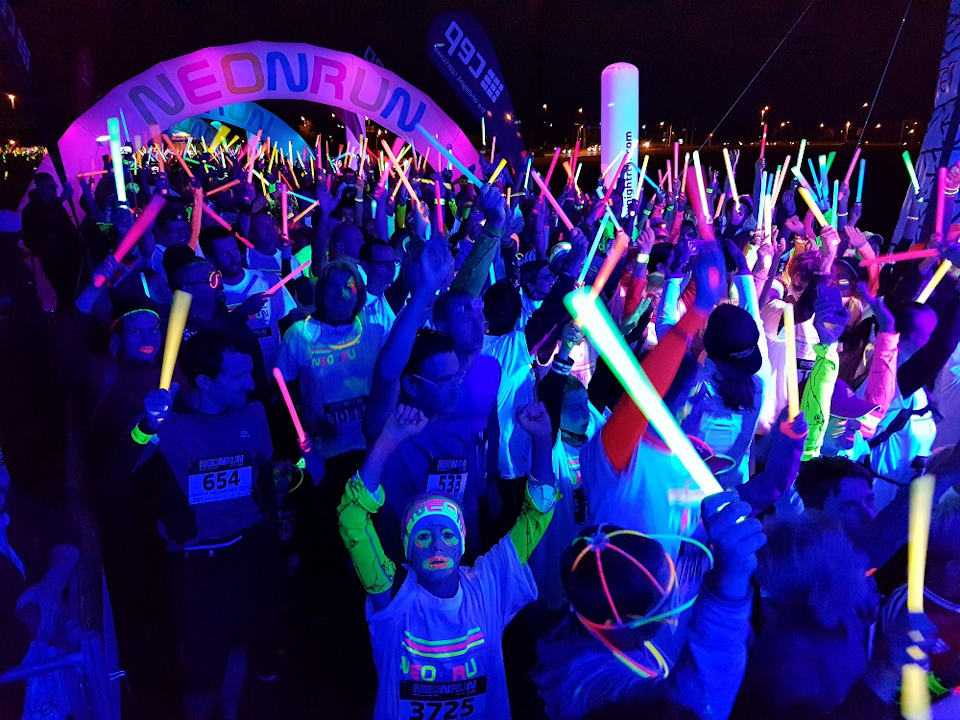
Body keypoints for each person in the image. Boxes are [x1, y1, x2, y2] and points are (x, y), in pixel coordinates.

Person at [338, 401, 556, 720]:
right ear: (408, 551)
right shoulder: (393, 595)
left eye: (448, 535)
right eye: (424, 536)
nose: (437, 545)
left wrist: (542, 438)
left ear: (462, 545)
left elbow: (537, 515)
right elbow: (352, 518)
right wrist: (389, 438)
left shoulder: (488, 584)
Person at [130, 331, 279, 720]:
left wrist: (291, 475)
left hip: (249, 551)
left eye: (250, 373)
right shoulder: (167, 424)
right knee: (200, 667)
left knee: (240, 643)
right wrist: (146, 425)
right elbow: (122, 462)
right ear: (204, 382)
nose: (251, 383)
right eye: (238, 376)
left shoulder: (254, 414)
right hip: (195, 563)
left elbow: (266, 475)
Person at [201, 227, 298, 368]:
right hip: (237, 372)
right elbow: (213, 335)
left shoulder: (269, 281)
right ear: (211, 259)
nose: (233, 257)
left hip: (274, 368)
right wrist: (242, 311)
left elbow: (288, 322)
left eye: (234, 250)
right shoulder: (209, 292)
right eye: (225, 253)